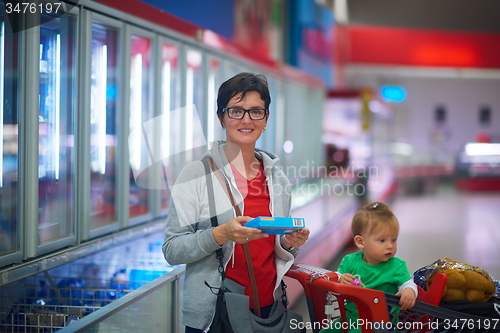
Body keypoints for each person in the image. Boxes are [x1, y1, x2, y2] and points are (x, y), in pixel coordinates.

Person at [162, 72, 310, 333]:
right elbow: (172, 249)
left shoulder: (278, 180)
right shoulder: (197, 174)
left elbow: (272, 248)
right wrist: (220, 234)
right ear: (221, 118)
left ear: (266, 119)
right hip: (215, 315)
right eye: (236, 111)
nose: (246, 120)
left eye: (255, 112)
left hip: (267, 311)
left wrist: (288, 243)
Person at [320, 202, 417, 333]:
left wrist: (409, 291)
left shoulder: (396, 265)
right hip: (350, 317)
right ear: (360, 242)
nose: (390, 246)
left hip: (380, 323)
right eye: (382, 240)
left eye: (393, 240)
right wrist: (340, 279)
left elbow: (408, 283)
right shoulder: (350, 261)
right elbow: (336, 276)